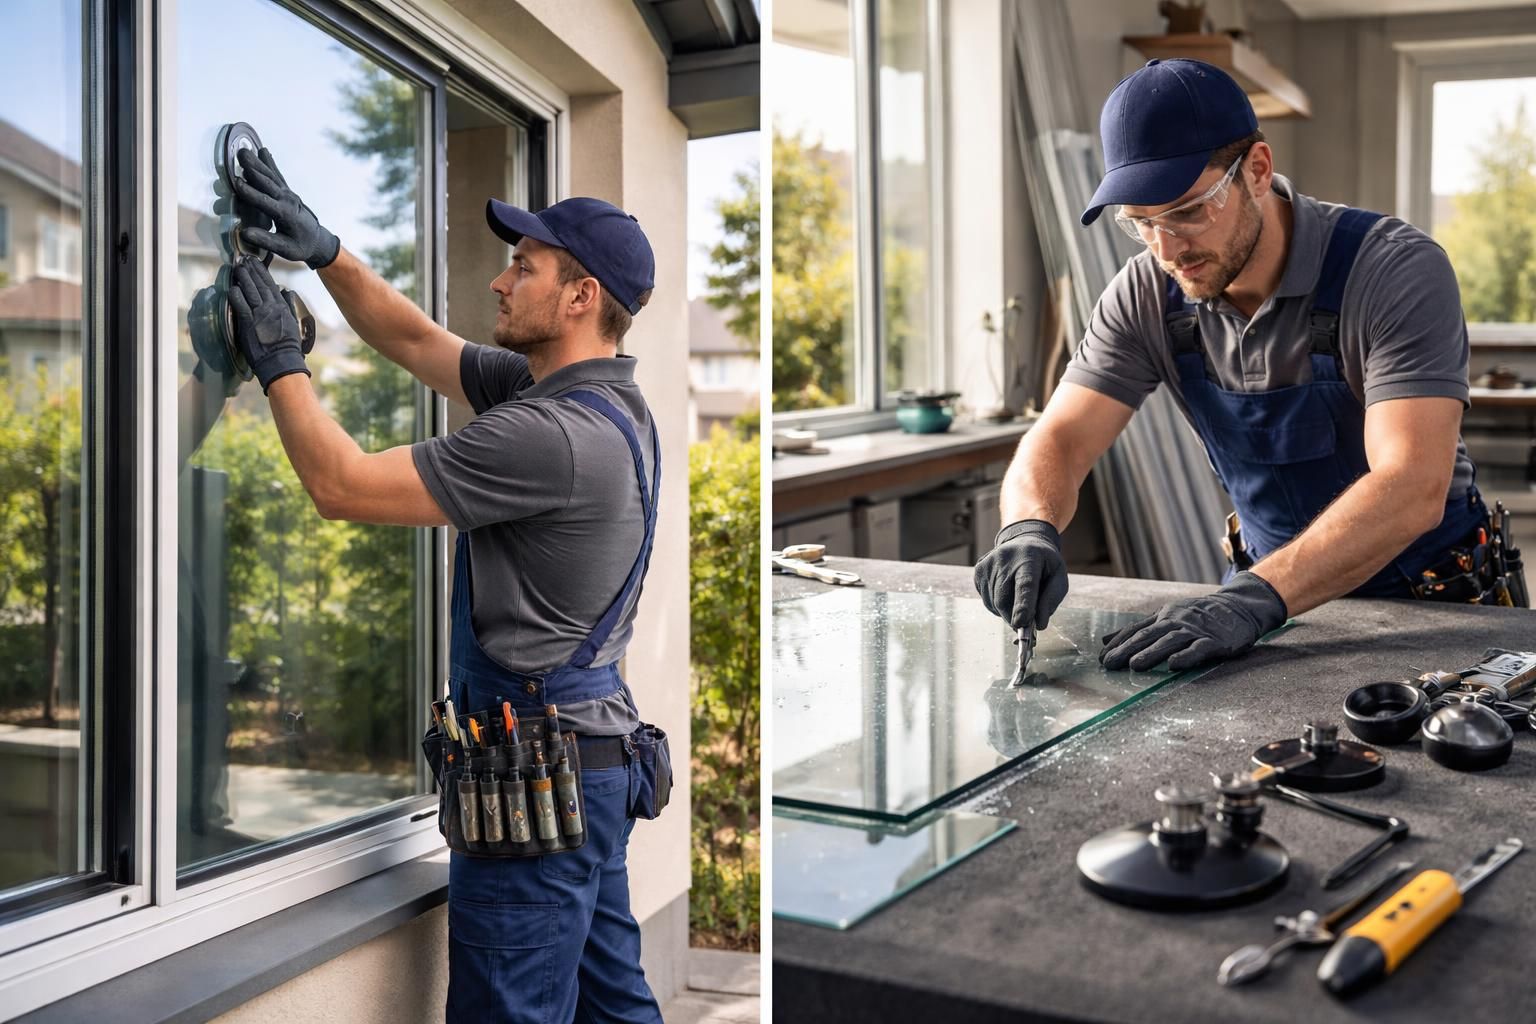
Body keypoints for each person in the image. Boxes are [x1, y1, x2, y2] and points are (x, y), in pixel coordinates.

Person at [227, 145, 665, 1023]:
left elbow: (341, 486)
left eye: (523, 267)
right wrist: (328, 252)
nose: (502, 283)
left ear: (580, 298)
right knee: (613, 1008)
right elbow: (420, 342)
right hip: (594, 762)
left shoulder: (548, 436)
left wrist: (280, 364)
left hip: (537, 782)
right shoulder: (599, 399)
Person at [974, 58, 1514, 675]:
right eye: (1140, 223)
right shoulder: (1148, 291)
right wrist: (1028, 527)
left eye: (1186, 211)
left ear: (1256, 170)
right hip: (1260, 605)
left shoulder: (1392, 270)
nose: (1166, 249)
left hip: (1430, 604)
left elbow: (1413, 485)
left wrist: (1252, 599)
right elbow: (1062, 437)